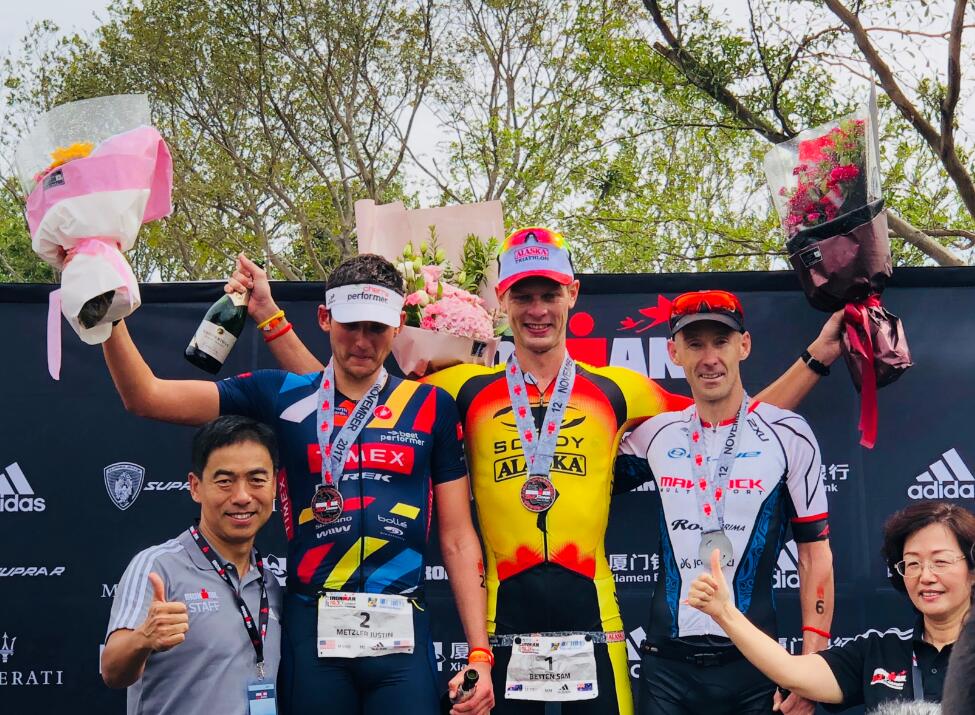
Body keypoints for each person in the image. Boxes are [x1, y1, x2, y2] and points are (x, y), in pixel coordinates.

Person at [246, 227, 843, 714]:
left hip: (597, 624)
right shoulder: (463, 388)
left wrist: (816, 358)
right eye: (523, 296)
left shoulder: (618, 390)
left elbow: (730, 420)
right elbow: (344, 396)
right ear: (501, 301)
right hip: (502, 627)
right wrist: (273, 320)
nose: (537, 310)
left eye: (549, 294)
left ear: (572, 295)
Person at [100, 254, 494, 715]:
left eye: (376, 327)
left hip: (402, 627)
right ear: (324, 318)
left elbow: (458, 537)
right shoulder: (282, 393)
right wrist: (106, 307)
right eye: (350, 325)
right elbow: (146, 396)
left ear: (398, 327)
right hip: (314, 627)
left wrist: (479, 654)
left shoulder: (432, 406)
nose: (362, 341)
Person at [616, 290, 833, 715]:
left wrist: (811, 666)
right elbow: (581, 480)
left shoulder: (789, 433)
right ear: (674, 353)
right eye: (695, 344)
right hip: (666, 669)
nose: (709, 358)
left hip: (756, 665)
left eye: (721, 341)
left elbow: (814, 554)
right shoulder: (654, 433)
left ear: (744, 345)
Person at [687, 500, 975, 711]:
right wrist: (724, 612)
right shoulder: (878, 652)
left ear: (972, 572)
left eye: (940, 561)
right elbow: (790, 671)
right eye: (912, 563)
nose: (926, 576)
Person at [101, 415, 283, 715]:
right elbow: (112, 672)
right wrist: (144, 638)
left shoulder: (269, 583)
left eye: (256, 480)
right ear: (196, 487)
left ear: (274, 485)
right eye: (225, 481)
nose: (242, 496)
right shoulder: (158, 566)